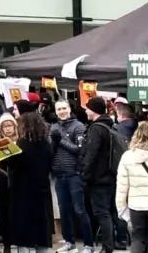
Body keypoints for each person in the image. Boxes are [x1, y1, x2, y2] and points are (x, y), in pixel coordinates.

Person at [0, 111, 53, 253]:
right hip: (42, 192)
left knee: (24, 235)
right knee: (41, 234)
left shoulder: (22, 144)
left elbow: (12, 163)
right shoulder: (46, 144)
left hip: (22, 193)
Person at [116, 121, 148, 253]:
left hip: (136, 206)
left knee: (137, 239)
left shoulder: (127, 157)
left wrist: (122, 210)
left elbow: (121, 187)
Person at [50, 100, 93, 253]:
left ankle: (89, 244)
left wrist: (60, 140)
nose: (62, 111)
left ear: (69, 109)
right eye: (59, 109)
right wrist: (54, 143)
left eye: (64, 108)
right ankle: (69, 242)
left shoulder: (79, 127)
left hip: (74, 174)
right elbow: (51, 152)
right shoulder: (54, 127)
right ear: (55, 111)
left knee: (79, 210)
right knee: (64, 211)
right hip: (59, 175)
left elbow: (79, 150)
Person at [82, 96, 120, 253]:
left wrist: (85, 175)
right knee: (110, 212)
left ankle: (107, 248)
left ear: (93, 110)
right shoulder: (110, 126)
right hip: (110, 176)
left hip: (98, 179)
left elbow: (91, 154)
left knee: (102, 213)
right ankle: (115, 242)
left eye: (87, 108)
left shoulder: (96, 128)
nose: (85, 111)